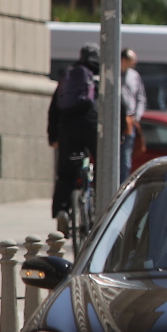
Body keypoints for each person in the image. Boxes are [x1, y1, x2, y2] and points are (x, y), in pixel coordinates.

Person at [46, 45, 101, 231]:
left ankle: (62, 210)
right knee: (104, 168)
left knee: (66, 174)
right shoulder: (100, 75)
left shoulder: (68, 76)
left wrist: (53, 136)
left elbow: (54, 108)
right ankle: (103, 208)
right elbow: (121, 104)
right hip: (93, 126)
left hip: (68, 129)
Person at [120, 48, 147, 179]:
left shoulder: (134, 76)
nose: (135, 62)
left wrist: (137, 117)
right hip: (114, 121)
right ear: (124, 60)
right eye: (132, 59)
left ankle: (122, 186)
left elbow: (141, 98)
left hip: (129, 121)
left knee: (125, 159)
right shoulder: (111, 73)